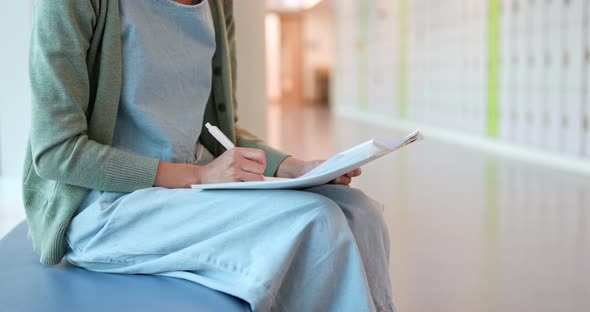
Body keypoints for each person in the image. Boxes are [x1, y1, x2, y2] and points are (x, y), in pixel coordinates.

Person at [23, 0, 394, 311]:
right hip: (106, 205)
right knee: (317, 221)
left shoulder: (216, 6)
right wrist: (198, 176)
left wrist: (294, 167)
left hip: (190, 189)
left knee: (359, 212)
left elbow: (219, 132)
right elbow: (57, 152)